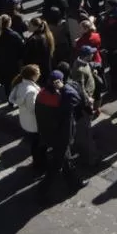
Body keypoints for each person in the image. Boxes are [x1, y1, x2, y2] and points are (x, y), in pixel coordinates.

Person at [34, 70, 85, 201]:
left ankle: (75, 183)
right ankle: (42, 191)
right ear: (58, 82)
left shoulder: (41, 94)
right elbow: (75, 98)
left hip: (49, 135)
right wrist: (64, 87)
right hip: (61, 137)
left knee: (66, 160)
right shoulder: (59, 98)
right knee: (56, 165)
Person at [8, 64, 45, 171]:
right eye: (38, 73)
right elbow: (33, 109)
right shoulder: (31, 91)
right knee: (37, 145)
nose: (40, 74)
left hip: (26, 121)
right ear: (32, 76)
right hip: (34, 123)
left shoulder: (20, 85)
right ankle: (38, 165)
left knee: (34, 143)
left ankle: (37, 162)